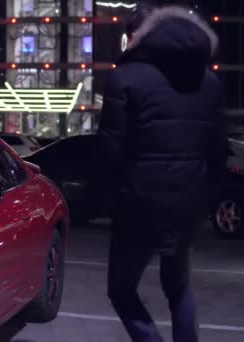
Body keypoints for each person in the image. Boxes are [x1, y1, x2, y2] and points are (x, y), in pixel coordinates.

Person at [98, 3, 228, 342]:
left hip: (138, 204)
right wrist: (207, 195)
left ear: (136, 38)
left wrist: (104, 196)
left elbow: (110, 149)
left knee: (121, 289)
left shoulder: (124, 78)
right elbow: (217, 148)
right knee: (179, 286)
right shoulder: (209, 81)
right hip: (187, 204)